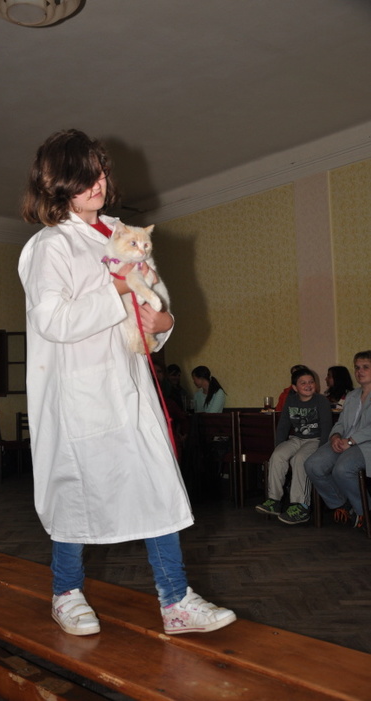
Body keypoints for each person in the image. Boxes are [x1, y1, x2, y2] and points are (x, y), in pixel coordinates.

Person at [18, 129, 236, 637]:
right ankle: (66, 592)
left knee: (157, 486)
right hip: (78, 393)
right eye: (84, 176)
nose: (98, 183)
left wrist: (165, 322)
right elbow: (53, 320)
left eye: (100, 173)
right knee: (75, 490)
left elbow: (154, 298)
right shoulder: (49, 245)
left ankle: (175, 601)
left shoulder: (124, 232)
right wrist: (117, 288)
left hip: (131, 385)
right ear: (57, 182)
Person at [256, 367, 332, 524]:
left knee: (299, 459)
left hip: (315, 440)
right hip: (296, 439)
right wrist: (278, 445)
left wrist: (322, 451)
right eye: (303, 383)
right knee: (278, 455)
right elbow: (283, 425)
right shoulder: (291, 400)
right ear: (295, 387)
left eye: (311, 382)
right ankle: (274, 500)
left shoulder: (321, 401)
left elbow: (326, 427)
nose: (308, 385)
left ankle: (301, 506)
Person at [305, 351, 371, 529]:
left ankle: (365, 511)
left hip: (366, 445)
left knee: (342, 469)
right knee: (313, 465)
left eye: (365, 367)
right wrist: (335, 436)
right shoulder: (352, 396)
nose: (359, 371)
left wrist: (350, 441)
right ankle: (342, 503)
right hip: (344, 441)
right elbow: (341, 423)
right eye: (357, 367)